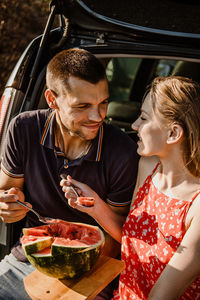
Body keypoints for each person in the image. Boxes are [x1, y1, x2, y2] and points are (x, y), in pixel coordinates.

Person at [0, 48, 139, 299]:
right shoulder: (23, 128)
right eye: (83, 106)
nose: (98, 116)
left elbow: (120, 235)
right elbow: (6, 192)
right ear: (52, 99)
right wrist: (8, 206)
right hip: (27, 259)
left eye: (103, 103)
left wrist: (76, 248)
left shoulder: (123, 153)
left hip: (92, 269)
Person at [61, 76, 200, 299]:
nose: (134, 126)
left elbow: (162, 296)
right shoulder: (148, 167)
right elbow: (131, 236)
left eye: (144, 118)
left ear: (173, 133)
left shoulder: (197, 206)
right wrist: (95, 206)